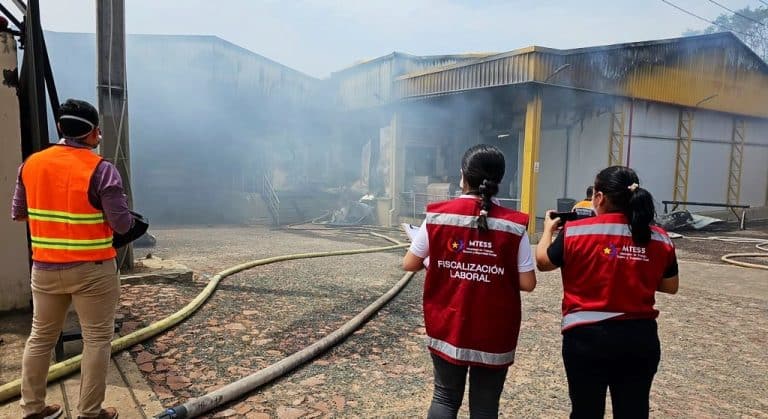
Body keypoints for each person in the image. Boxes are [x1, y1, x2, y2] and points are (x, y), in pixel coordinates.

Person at [12, 99, 132, 419]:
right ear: (93, 133)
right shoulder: (102, 170)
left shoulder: (31, 165)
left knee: (40, 338)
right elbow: (122, 224)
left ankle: (33, 410)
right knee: (96, 340)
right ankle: (90, 413)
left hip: (45, 268)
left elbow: (19, 213)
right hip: (93, 270)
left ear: (61, 129)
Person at [403, 144, 536, 419]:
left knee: (444, 397)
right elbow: (527, 282)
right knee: (485, 407)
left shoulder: (439, 216)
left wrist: (440, 263)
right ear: (502, 180)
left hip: (448, 323)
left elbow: (410, 263)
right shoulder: (515, 224)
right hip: (495, 329)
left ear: (463, 176)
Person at [535, 166, 679, 419]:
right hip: (640, 339)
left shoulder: (577, 231)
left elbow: (544, 262)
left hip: (586, 340)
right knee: (633, 411)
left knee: (586, 411)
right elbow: (670, 286)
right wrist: (635, 268)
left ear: (599, 197)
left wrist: (548, 230)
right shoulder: (660, 238)